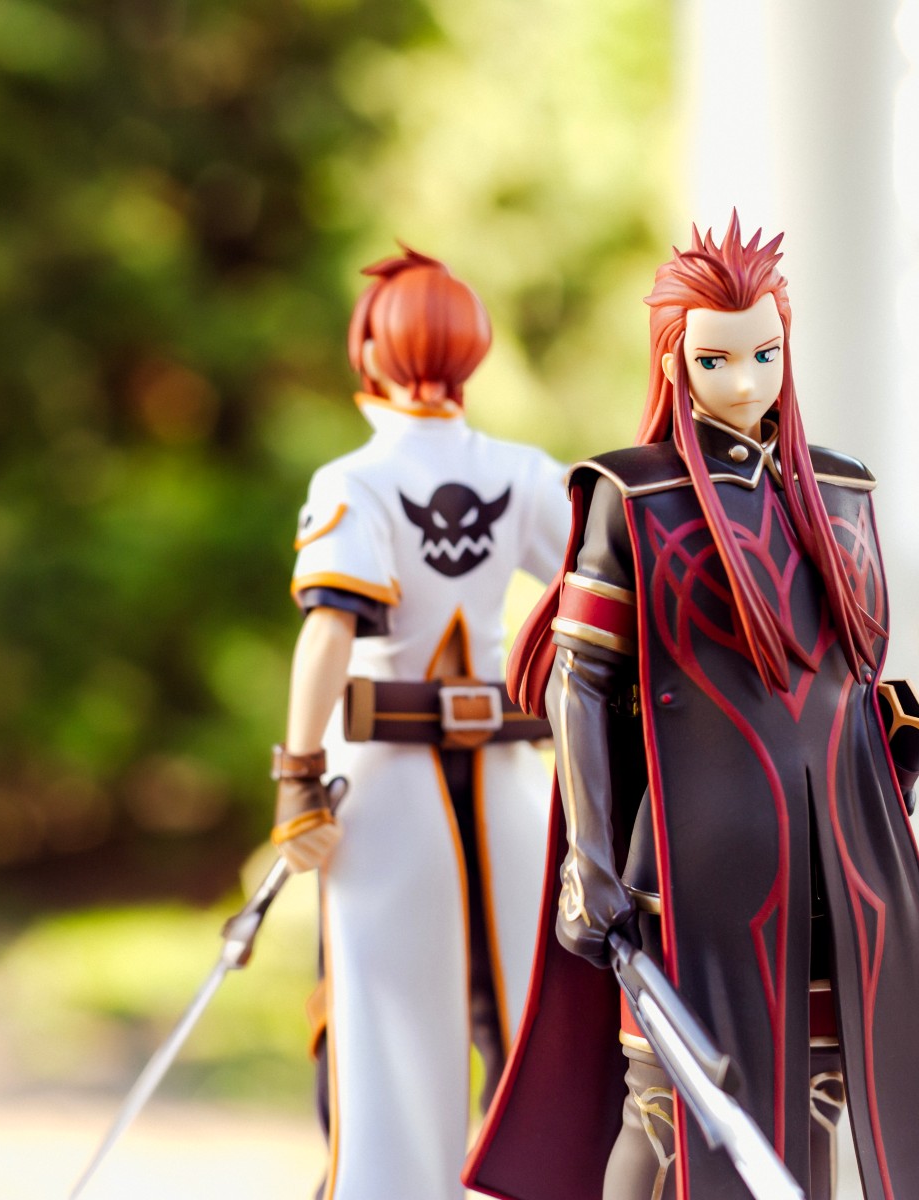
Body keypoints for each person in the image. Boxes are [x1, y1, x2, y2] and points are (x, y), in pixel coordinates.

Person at [465, 215, 919, 1200]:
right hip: (689, 862)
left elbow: (849, 675)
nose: (745, 382)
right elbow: (582, 681)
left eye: (764, 354)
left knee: (819, 1099)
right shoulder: (636, 494)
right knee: (665, 1108)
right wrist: (590, 858)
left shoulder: (838, 491)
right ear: (675, 361)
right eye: (716, 359)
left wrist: (889, 761)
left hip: (833, 860)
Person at [271, 247, 568, 1200]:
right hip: (508, 788)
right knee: (524, 1016)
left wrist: (297, 777)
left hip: (389, 791)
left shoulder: (354, 481)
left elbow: (329, 630)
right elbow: (612, 597)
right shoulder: (524, 474)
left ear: (371, 351)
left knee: (387, 1027)